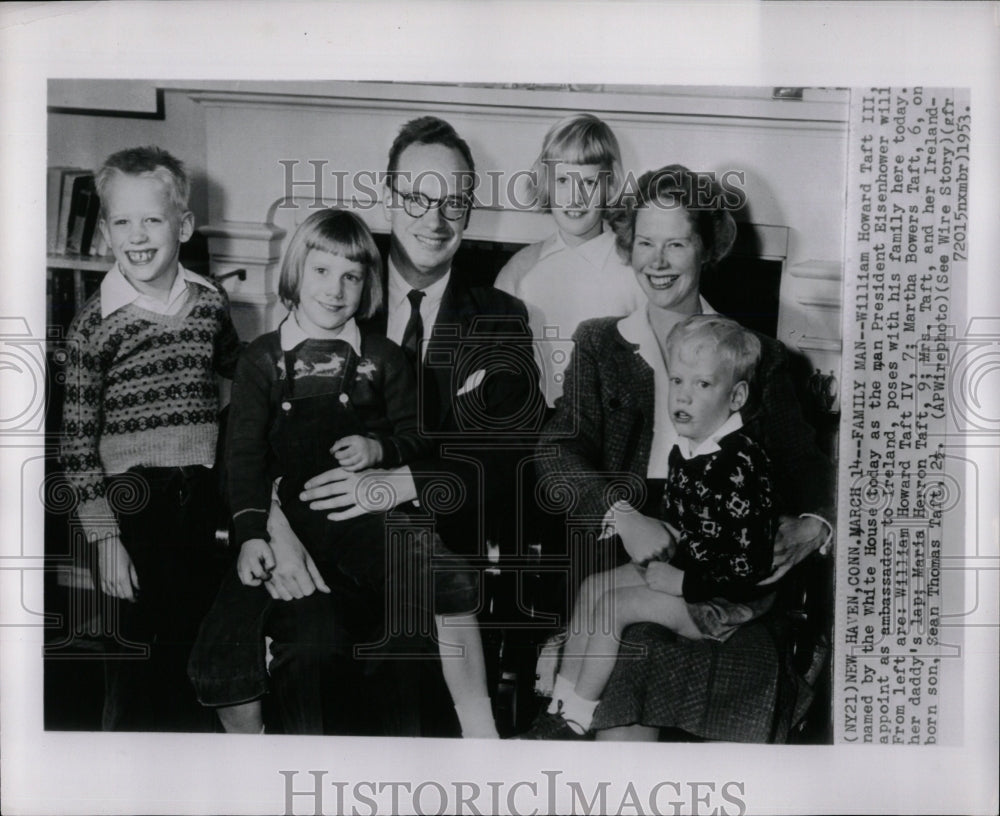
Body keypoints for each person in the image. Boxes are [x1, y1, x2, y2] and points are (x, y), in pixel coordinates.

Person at [261, 116, 545, 736]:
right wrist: (275, 521)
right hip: (319, 552)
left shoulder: (499, 320)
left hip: (435, 560)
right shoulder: (331, 290)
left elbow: (505, 459)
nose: (434, 217)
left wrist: (391, 485)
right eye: (417, 196)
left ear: (470, 210)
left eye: (453, 201)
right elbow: (259, 429)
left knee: (412, 671)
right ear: (388, 198)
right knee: (308, 658)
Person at [533, 164, 835, 742]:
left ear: (706, 248)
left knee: (671, 650)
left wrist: (813, 527)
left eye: (676, 243)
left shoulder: (757, 357)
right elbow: (555, 454)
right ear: (628, 247)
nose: (659, 260)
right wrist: (622, 516)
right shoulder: (600, 342)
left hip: (727, 556)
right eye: (645, 242)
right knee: (623, 643)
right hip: (623, 543)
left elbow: (814, 475)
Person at [188, 208, 497, 736]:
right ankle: (253, 756)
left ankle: (478, 725)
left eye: (351, 276)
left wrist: (380, 449)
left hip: (366, 516)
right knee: (222, 653)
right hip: (290, 521)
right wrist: (251, 533)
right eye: (322, 272)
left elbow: (420, 437)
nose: (335, 290)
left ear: (367, 286)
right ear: (295, 274)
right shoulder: (262, 360)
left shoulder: (384, 358)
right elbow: (241, 457)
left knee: (446, 582)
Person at [521, 315, 777, 739]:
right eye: (678, 381)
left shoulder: (741, 464)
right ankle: (559, 706)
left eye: (703, 385)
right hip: (693, 569)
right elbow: (695, 524)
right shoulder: (690, 448)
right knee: (593, 587)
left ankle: (576, 719)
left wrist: (684, 582)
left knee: (615, 608)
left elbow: (749, 564)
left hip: (722, 599)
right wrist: (669, 533)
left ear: (737, 396)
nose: (684, 397)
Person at [59, 145, 241, 731]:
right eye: (122, 221)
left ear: (183, 226)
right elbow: (76, 448)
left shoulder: (210, 302)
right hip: (132, 505)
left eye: (153, 219)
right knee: (137, 656)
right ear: (107, 232)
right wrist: (106, 540)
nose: (137, 235)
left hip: (204, 495)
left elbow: (241, 371)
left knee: (199, 648)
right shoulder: (94, 326)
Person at [494, 113, 645, 407]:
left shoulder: (634, 267)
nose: (574, 197)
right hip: (537, 425)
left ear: (610, 185)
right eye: (562, 180)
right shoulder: (521, 269)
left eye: (588, 182)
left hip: (614, 425)